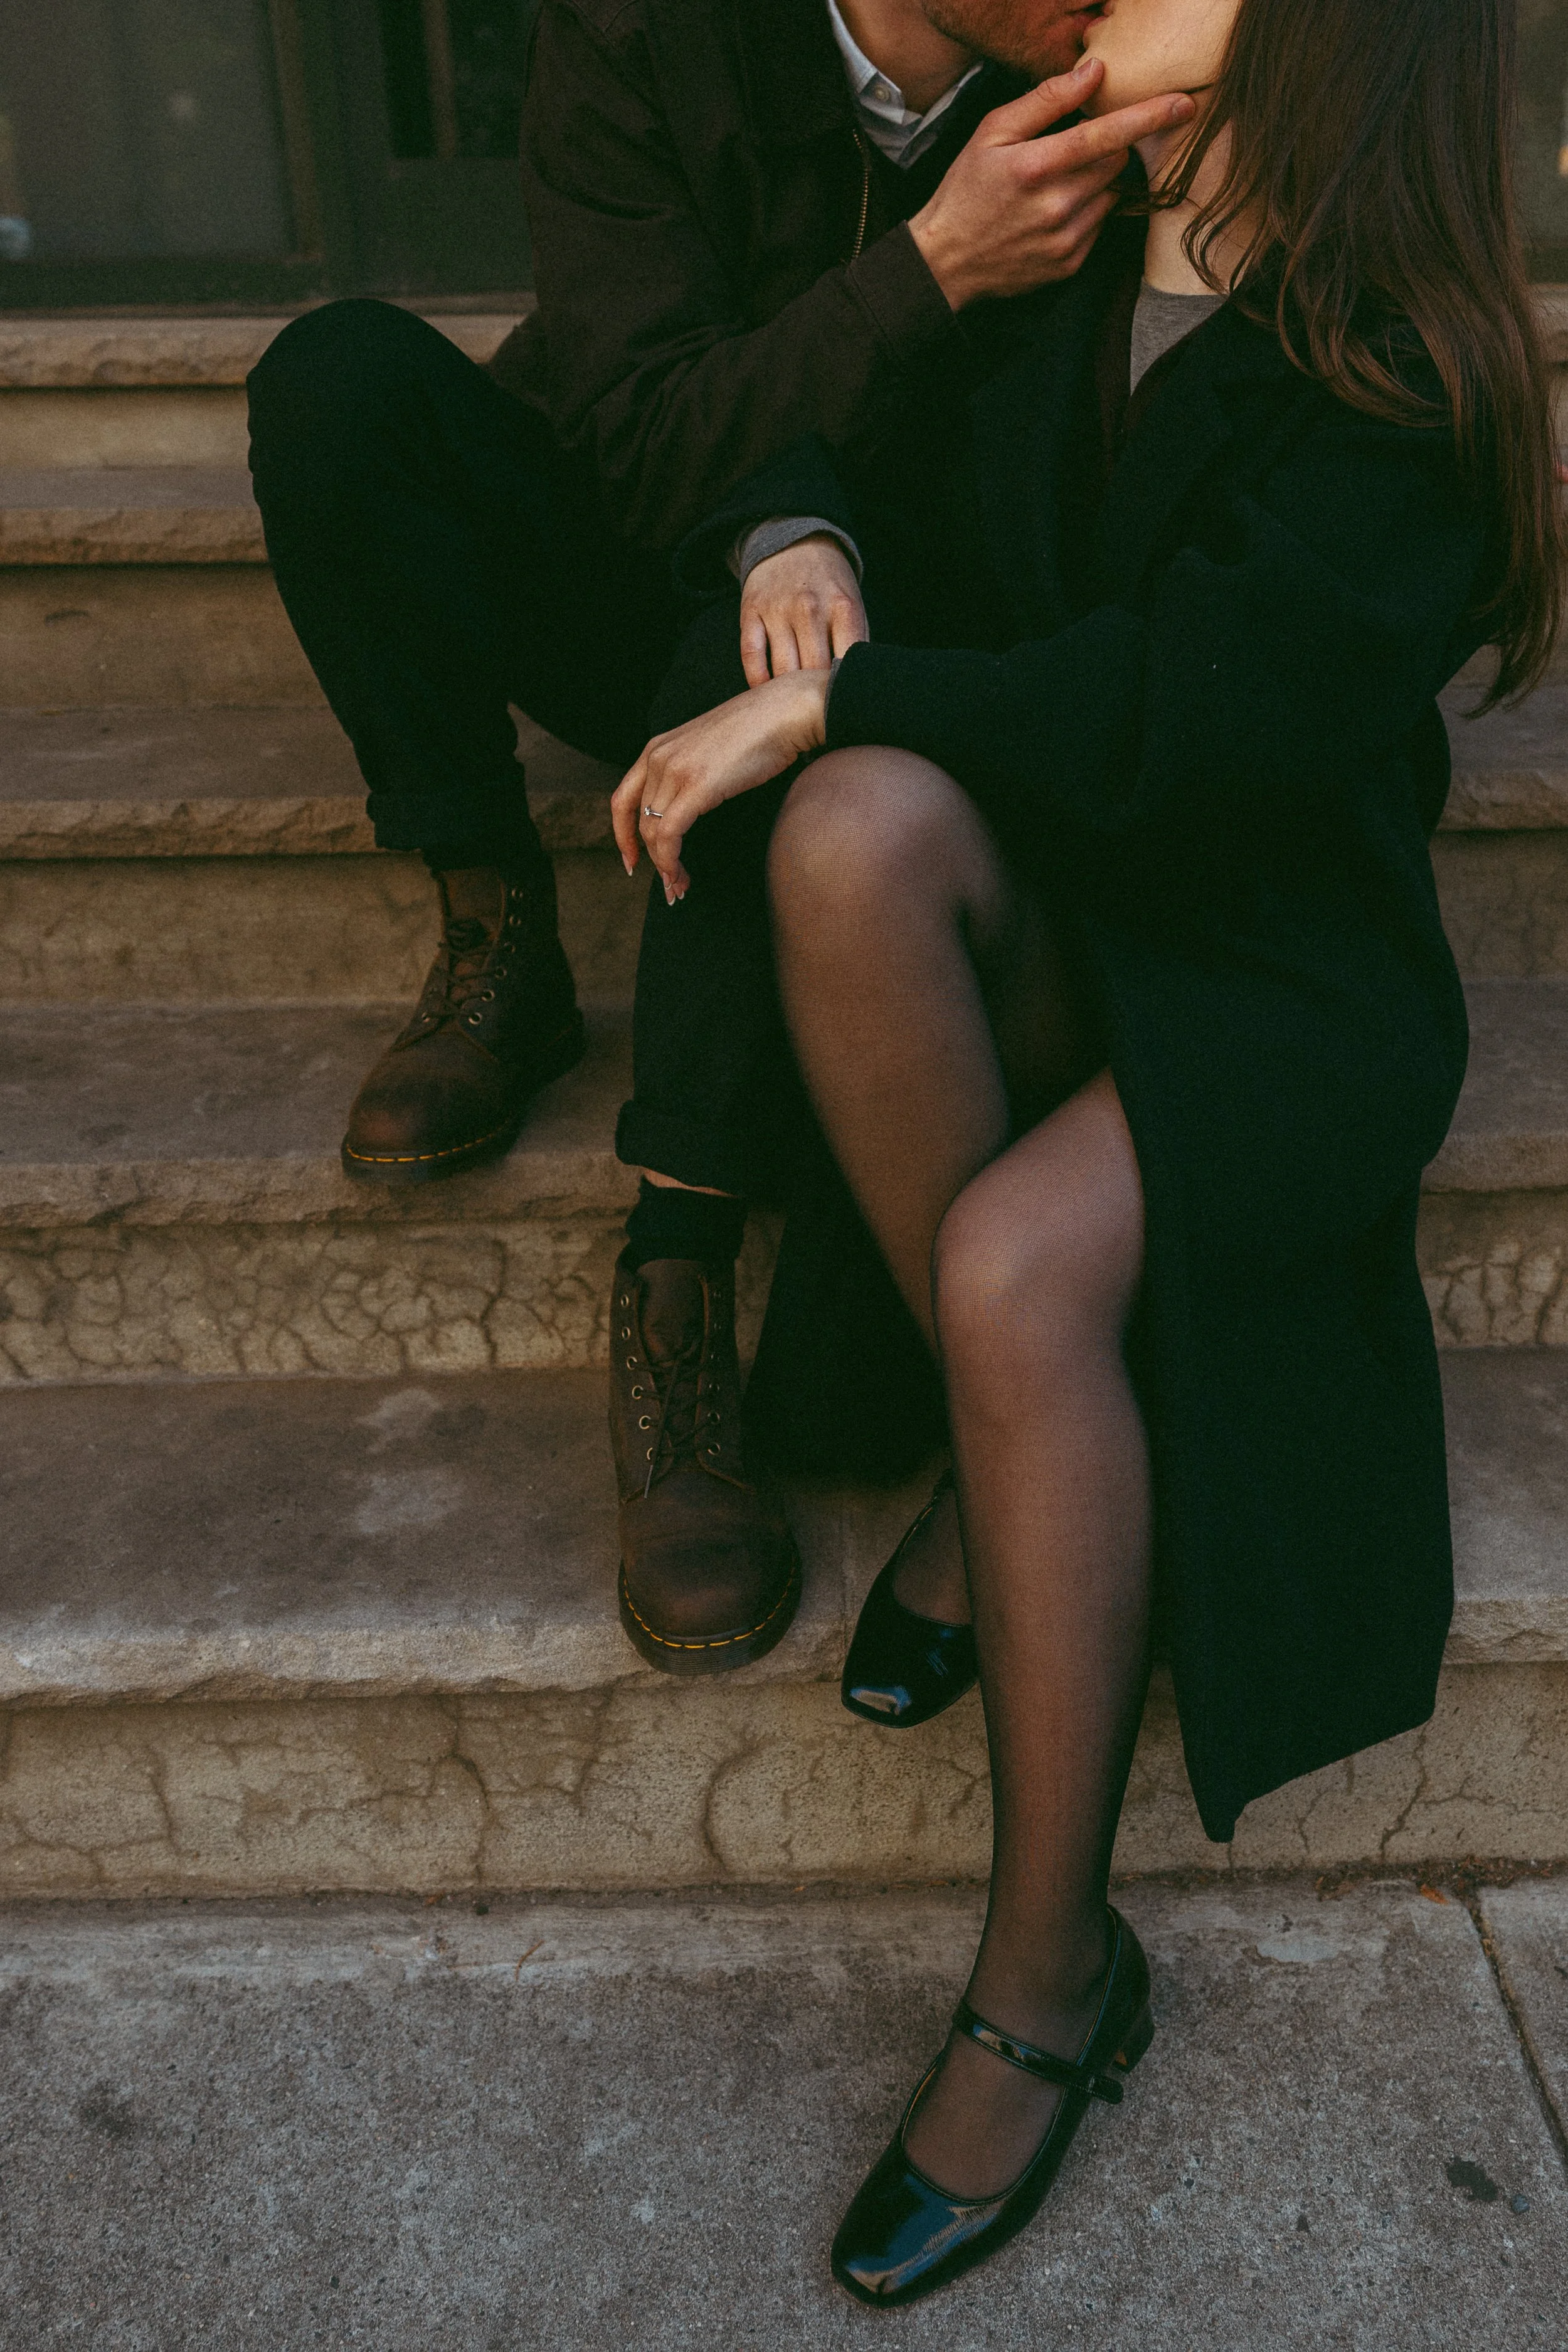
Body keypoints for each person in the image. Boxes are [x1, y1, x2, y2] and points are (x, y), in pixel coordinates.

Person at [610, 0, 1564, 2304]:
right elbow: (869, 490)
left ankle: (1048, 1975)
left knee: (1023, 1264)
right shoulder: (1065, 255)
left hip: (1285, 982)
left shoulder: (1405, 367)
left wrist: (836, 693)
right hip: (1095, 901)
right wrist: (808, 567)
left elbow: (1173, 713)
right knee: (842, 842)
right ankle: (995, 1458)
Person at [244, 0, 1192, 1676]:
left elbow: (1038, 504)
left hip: (882, 632)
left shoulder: (1099, 76)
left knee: (778, 649)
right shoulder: (638, 26)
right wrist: (918, 286)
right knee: (335, 384)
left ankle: (674, 1253)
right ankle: (493, 935)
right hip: (631, 540)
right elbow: (624, 419)